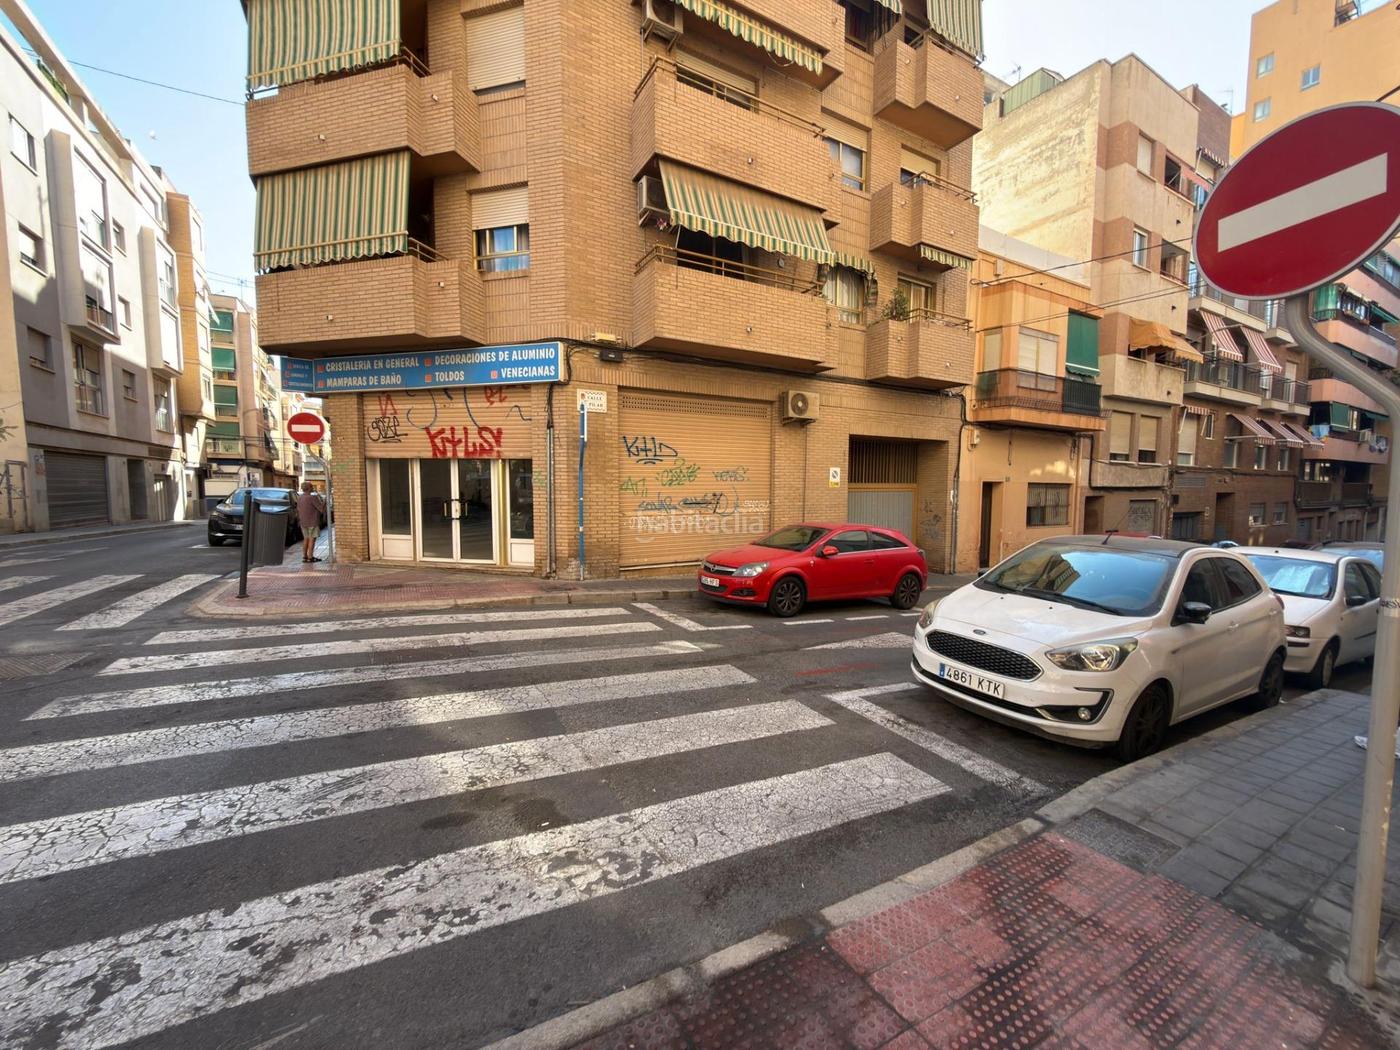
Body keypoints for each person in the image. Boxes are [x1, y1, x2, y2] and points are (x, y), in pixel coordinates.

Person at [296, 482, 325, 564]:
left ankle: (305, 556)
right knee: (312, 539)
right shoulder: (313, 498)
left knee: (306, 538)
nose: (312, 488)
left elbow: (298, 509)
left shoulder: (300, 498)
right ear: (309, 488)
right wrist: (324, 502)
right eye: (311, 486)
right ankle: (310, 557)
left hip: (303, 522)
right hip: (312, 521)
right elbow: (321, 509)